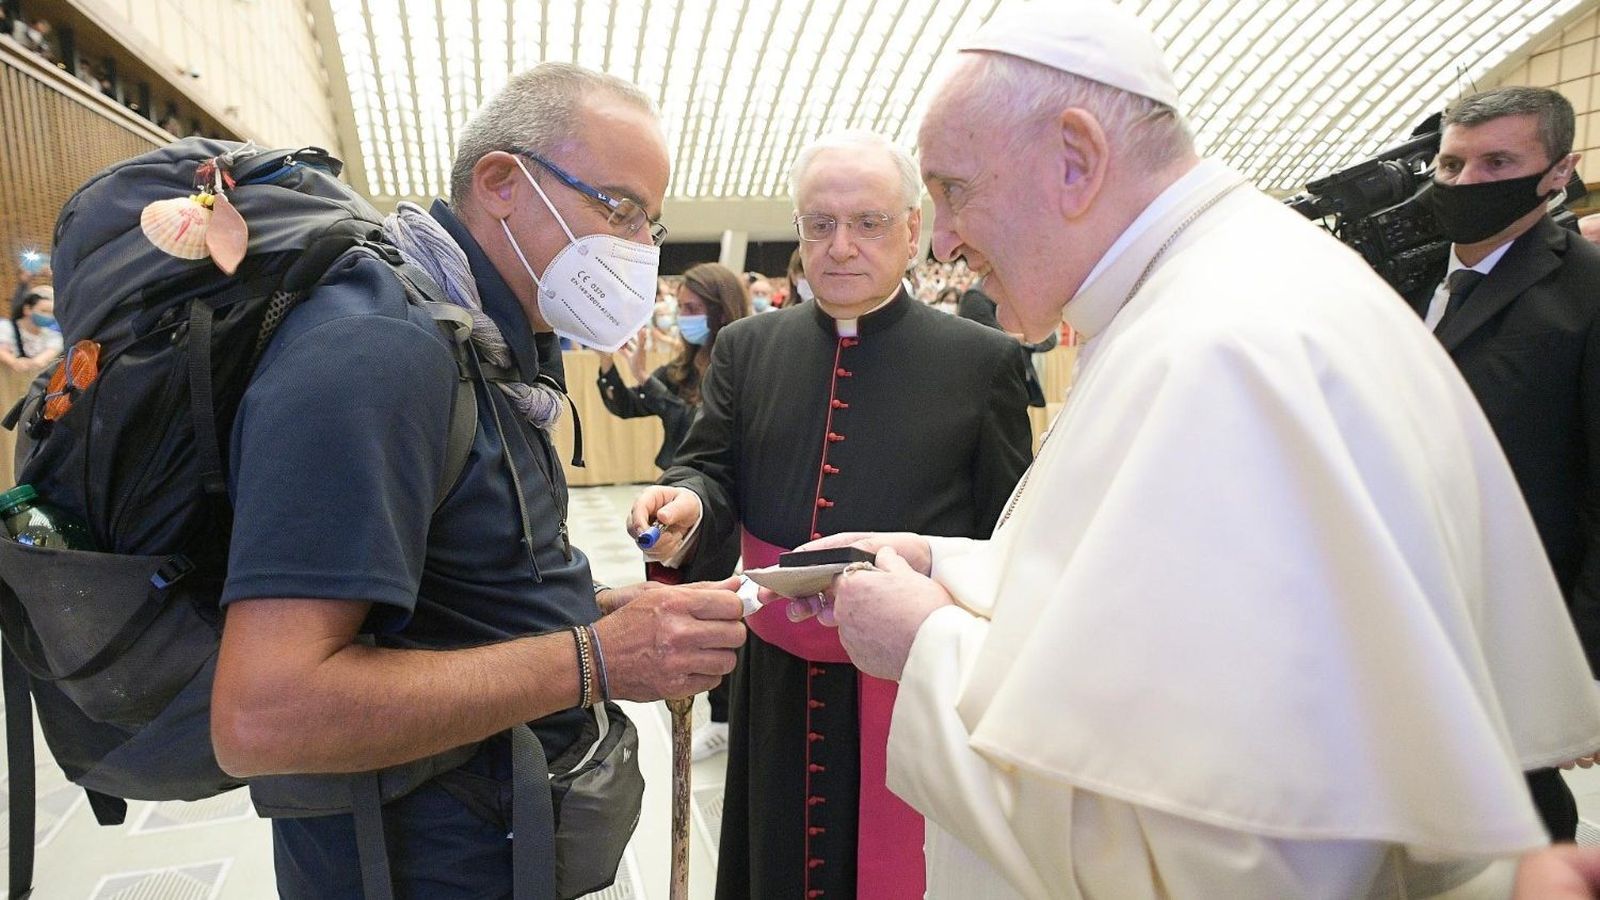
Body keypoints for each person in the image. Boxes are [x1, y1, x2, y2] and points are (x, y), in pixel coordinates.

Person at [790, 4, 1600, 898]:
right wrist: (941, 563)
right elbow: (1144, 607)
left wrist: (928, 640)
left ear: (1075, 158)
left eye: (955, 190)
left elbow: (1221, 847)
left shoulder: (1222, 346)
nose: (941, 239)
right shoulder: (1207, 291)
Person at [210, 62, 746, 897]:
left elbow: (452, 598)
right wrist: (595, 658)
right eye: (621, 209)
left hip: (498, 844)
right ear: (502, 183)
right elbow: (264, 714)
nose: (642, 247)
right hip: (413, 865)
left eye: (653, 221)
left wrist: (600, 610)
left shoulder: (483, 345)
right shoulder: (379, 350)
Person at [629, 129, 1033, 900]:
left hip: (912, 682)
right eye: (819, 224)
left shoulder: (983, 362)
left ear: (913, 231)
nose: (840, 246)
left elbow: (1009, 538)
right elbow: (709, 470)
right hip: (776, 683)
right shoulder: (747, 349)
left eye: (869, 223)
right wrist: (685, 503)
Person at [1406, 86, 1600, 841]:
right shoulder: (1401, 276)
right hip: (1404, 601)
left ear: (1558, 172)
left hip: (1518, 623)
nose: (1465, 184)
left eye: (1498, 164)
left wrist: (1581, 670)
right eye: (1452, 164)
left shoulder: (1584, 295)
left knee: (1514, 816)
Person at [0, 286, 61, 374]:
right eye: (44, 311)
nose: (48, 316)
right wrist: (13, 362)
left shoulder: (53, 335)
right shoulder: (6, 327)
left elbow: (48, 355)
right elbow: (2, 350)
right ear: (27, 309)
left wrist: (32, 364)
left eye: (52, 313)